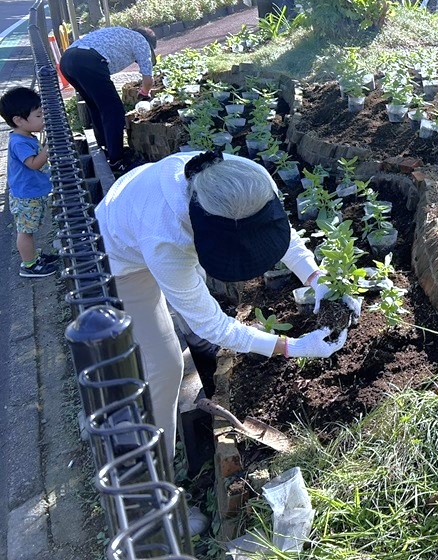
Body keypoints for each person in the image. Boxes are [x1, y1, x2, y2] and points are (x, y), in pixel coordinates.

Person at [95, 151, 352, 464]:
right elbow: (213, 326)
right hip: (121, 255)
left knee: (190, 301)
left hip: (145, 211)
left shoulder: (247, 178)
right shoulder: (167, 239)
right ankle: (158, 480)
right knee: (165, 366)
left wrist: (316, 276)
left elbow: (277, 232)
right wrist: (293, 346)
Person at [59, 26, 157, 174]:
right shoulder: (141, 41)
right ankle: (117, 160)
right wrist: (144, 93)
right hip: (88, 60)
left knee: (96, 105)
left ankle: (105, 145)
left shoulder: (121, 32)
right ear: (150, 44)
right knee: (114, 110)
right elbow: (148, 81)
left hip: (67, 60)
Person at [1, 87, 58, 278]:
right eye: (39, 115)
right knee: (25, 231)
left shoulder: (25, 136)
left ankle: (33, 256)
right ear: (19, 120)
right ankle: (29, 265)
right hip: (26, 195)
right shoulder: (19, 142)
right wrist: (47, 149)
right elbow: (33, 164)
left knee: (29, 228)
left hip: (31, 191)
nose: (43, 119)